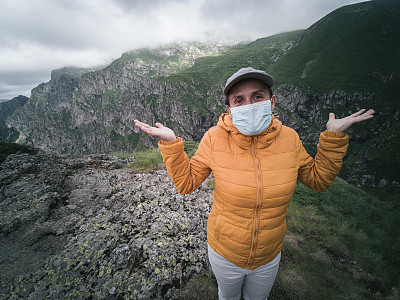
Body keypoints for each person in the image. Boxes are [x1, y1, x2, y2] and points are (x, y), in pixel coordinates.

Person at [134, 67, 375, 300]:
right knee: (227, 296)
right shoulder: (214, 138)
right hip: (225, 251)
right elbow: (186, 183)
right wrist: (171, 144)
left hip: (269, 255)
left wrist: (333, 138)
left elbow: (318, 180)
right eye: (239, 100)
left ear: (272, 102)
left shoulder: (290, 138)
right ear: (229, 109)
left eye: (257, 96)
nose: (249, 105)